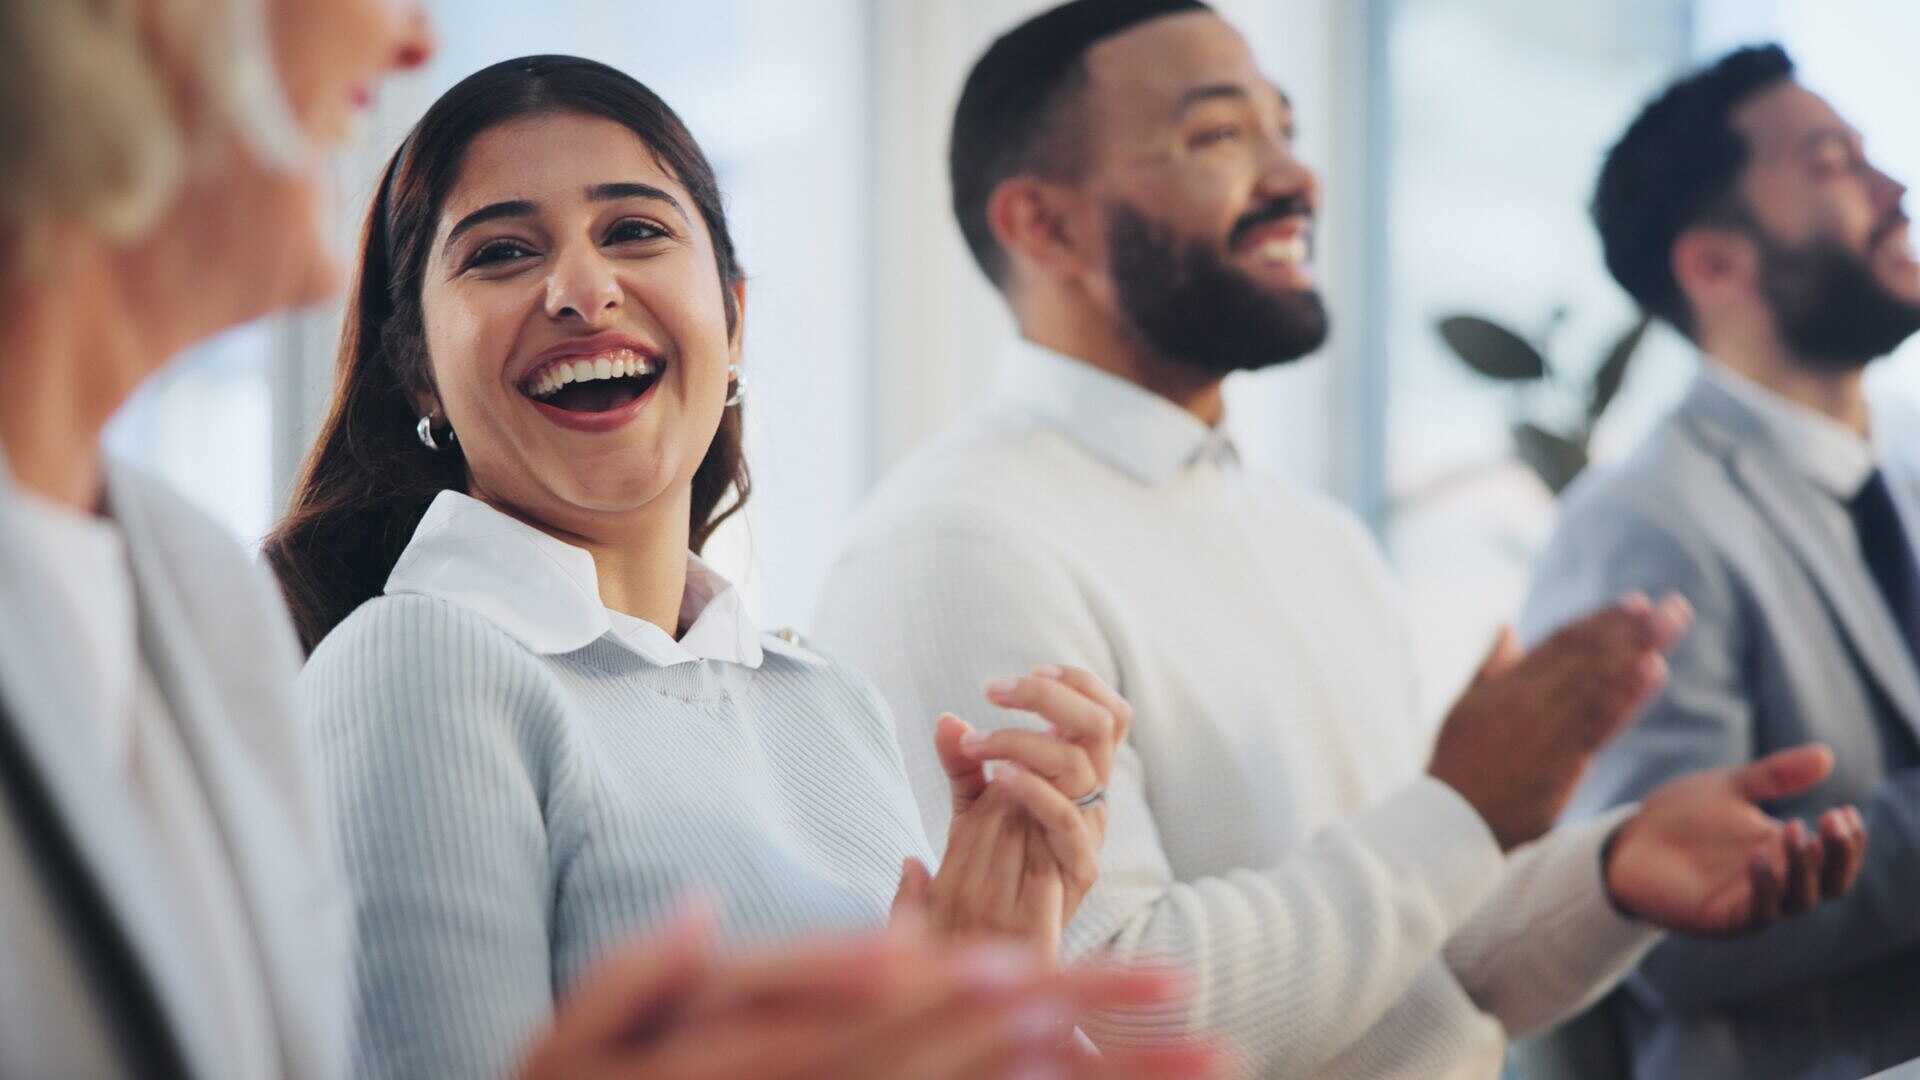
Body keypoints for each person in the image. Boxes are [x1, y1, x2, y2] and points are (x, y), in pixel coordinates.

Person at [0, 4, 1205, 1080]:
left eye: (635, 232)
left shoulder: (827, 699)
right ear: (417, 363)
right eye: (502, 252)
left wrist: (987, 991)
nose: (582, 289)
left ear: (732, 321)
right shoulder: (422, 661)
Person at [811, 3, 1867, 1077]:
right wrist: (1461, 806)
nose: (1297, 179)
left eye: (1287, 128)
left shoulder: (1319, 538)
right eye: (1219, 135)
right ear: (1045, 226)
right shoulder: (956, 542)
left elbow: (1411, 962)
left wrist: (1612, 875)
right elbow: (1107, 1012)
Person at [1522, 44, 1920, 1080]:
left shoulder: (1911, 465)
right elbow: (1673, 938)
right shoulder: (1639, 526)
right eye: (1836, 164)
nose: (1894, 188)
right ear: (1714, 266)